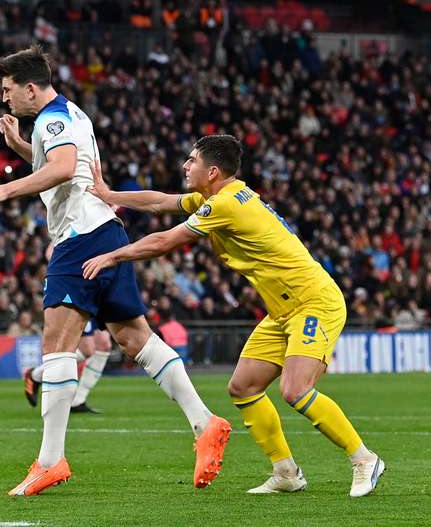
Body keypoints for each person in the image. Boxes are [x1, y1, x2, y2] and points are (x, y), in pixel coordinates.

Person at [0, 45, 230, 497]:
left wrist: (5, 188)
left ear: (31, 88)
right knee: (134, 338)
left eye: (10, 91)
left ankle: (50, 461)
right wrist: (19, 147)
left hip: (80, 239)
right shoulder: (73, 114)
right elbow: (70, 167)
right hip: (107, 230)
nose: (6, 99)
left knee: (57, 345)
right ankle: (205, 422)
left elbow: (65, 167)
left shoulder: (52, 118)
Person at [83, 134, 384, 497]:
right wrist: (110, 195)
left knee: (295, 389)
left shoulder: (224, 204)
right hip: (282, 310)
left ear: (212, 171)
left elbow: (165, 241)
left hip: (314, 302)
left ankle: (364, 458)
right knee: (244, 387)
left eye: (191, 161)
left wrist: (112, 256)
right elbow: (161, 202)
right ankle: (286, 472)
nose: (184, 165)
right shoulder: (216, 197)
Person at [23, 318, 111, 414]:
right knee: (87, 349)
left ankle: (78, 401)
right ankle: (35, 375)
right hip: (85, 305)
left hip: (99, 306)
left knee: (104, 345)